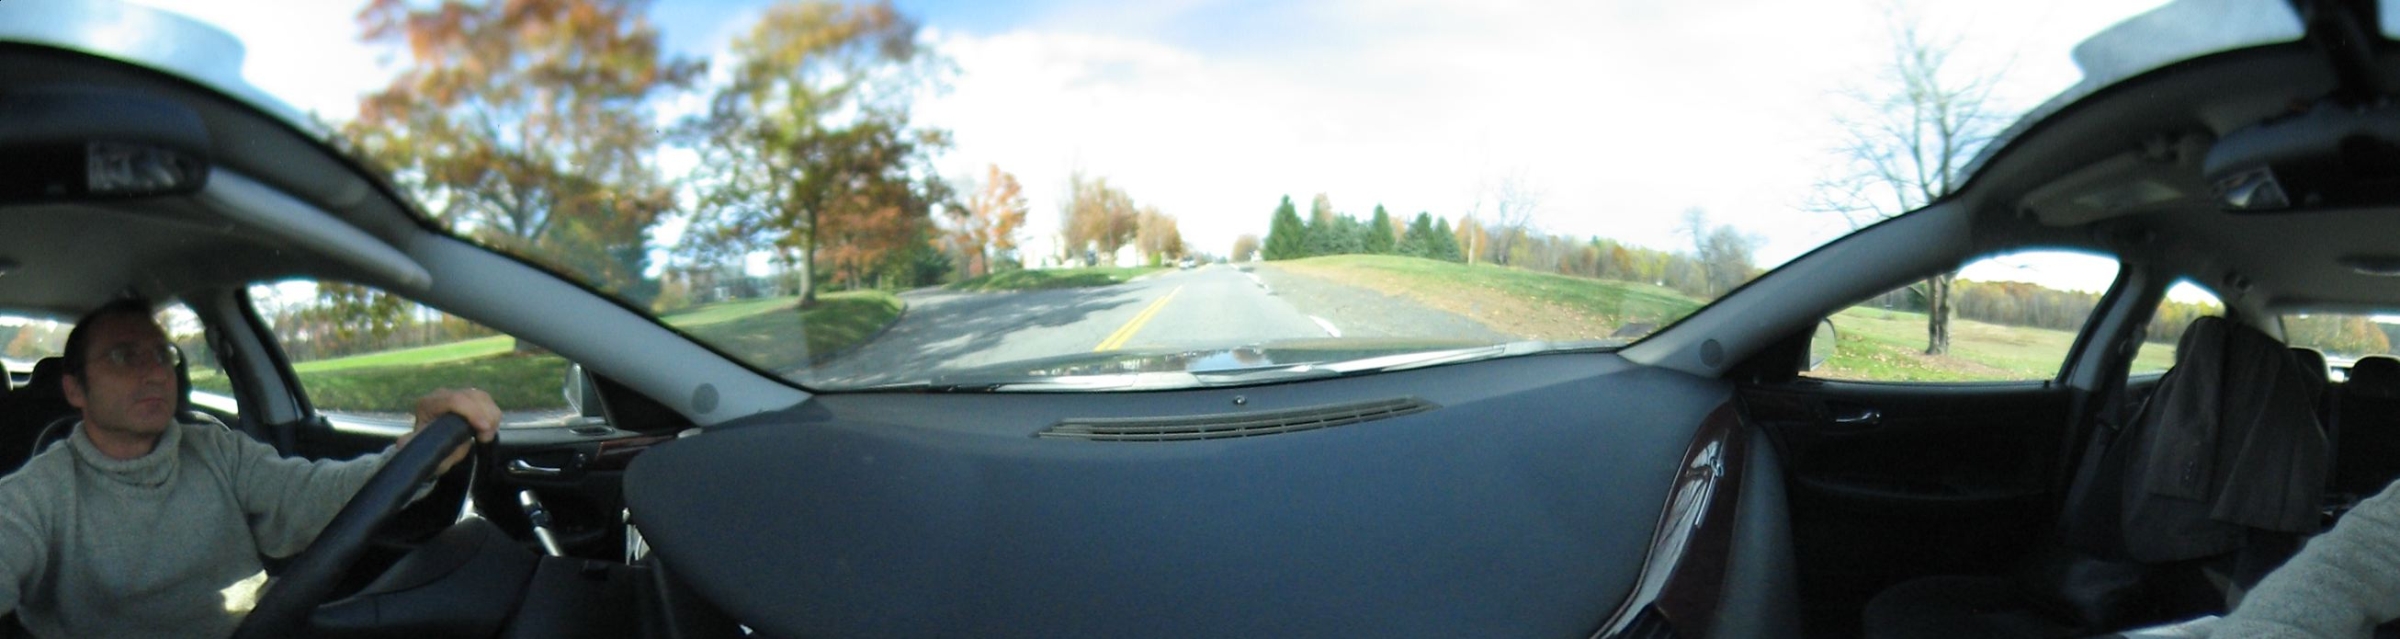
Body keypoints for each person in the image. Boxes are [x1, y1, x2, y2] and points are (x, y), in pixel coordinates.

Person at [0, 298, 501, 637]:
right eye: (122, 357)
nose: (154, 372)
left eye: (161, 354)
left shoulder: (217, 449)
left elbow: (314, 495)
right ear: (74, 389)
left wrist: (415, 453)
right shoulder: (39, 492)